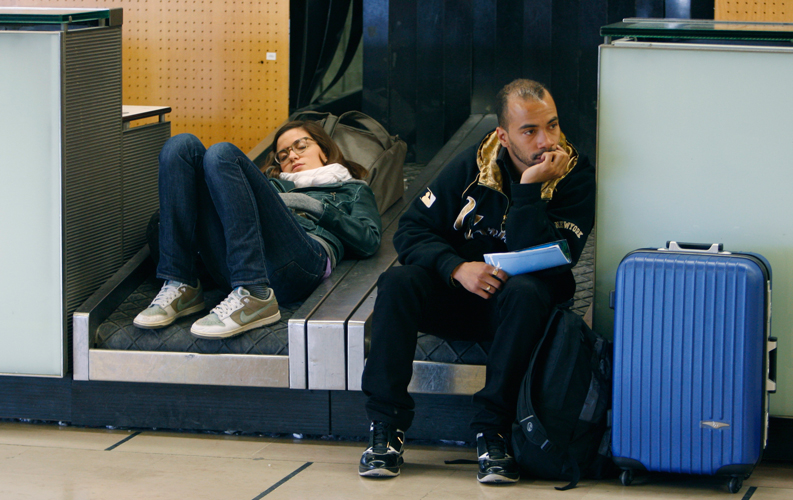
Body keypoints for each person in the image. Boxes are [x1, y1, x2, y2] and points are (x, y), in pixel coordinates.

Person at [358, 79, 596, 483]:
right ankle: (386, 428)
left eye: (552, 126)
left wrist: (528, 191)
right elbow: (410, 230)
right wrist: (455, 267)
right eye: (530, 131)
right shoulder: (474, 164)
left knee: (525, 290)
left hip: (524, 311)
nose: (546, 141)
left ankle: (494, 431)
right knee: (398, 283)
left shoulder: (573, 174)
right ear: (503, 137)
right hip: (465, 293)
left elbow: (554, 262)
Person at [133, 121, 382, 339]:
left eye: (301, 145)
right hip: (236, 266)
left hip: (303, 263)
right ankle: (182, 283)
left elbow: (368, 240)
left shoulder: (352, 189)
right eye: (283, 155)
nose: (292, 156)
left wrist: (313, 206)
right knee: (181, 146)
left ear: (324, 151)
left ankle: (255, 293)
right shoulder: (270, 185)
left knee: (222, 153)